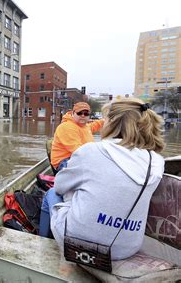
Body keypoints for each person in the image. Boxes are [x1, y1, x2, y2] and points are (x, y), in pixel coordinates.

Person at [39, 98, 165, 261]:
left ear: (111, 122)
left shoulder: (90, 151)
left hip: (77, 241)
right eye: (81, 113)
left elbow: (59, 187)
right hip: (126, 249)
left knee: (50, 193)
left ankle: (41, 244)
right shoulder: (156, 161)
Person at [51, 102, 104, 171]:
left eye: (86, 114)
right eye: (79, 113)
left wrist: (105, 120)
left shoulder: (84, 126)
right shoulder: (67, 127)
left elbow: (94, 125)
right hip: (65, 161)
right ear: (73, 113)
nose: (83, 115)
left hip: (79, 157)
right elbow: (78, 150)